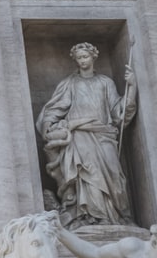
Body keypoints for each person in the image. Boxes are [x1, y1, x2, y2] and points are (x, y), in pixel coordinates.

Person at [37, 43, 136, 226]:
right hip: (79, 136)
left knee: (114, 175)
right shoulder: (69, 84)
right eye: (79, 58)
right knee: (86, 174)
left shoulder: (105, 82)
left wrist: (131, 88)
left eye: (86, 57)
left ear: (93, 57)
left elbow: (118, 112)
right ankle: (91, 217)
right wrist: (49, 125)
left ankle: (116, 216)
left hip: (104, 134)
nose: (83, 61)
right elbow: (55, 109)